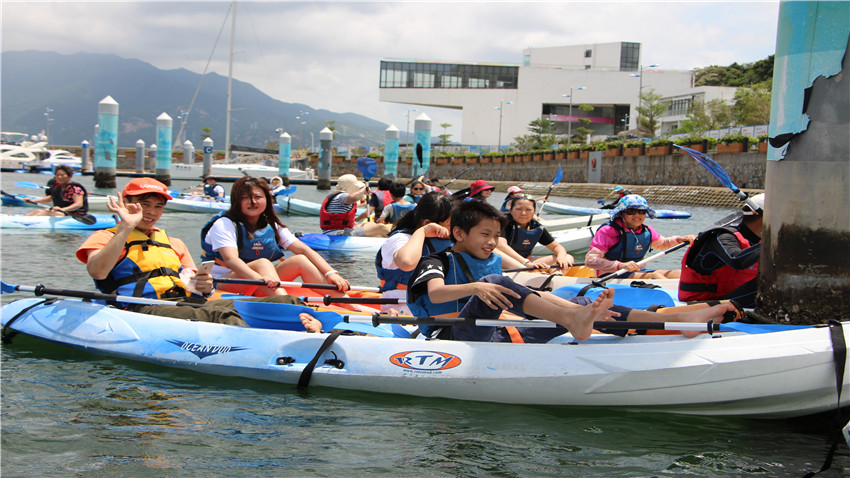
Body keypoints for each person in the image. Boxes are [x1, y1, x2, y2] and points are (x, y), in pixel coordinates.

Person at [406, 200, 737, 343]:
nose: (493, 243)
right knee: (494, 282)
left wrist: (572, 303)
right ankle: (575, 319)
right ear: (460, 234)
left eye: (497, 236)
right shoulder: (437, 261)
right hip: (450, 336)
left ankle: (676, 320)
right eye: (485, 235)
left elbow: (525, 292)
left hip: (498, 332)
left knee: (574, 299)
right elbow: (435, 293)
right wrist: (476, 287)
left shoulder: (490, 259)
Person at [75, 177, 322, 331]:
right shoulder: (107, 237)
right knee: (219, 313)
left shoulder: (174, 243)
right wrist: (126, 226)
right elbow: (97, 271)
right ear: (125, 202)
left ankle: (311, 328)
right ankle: (282, 340)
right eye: (143, 204)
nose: (150, 212)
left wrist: (204, 284)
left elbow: (195, 284)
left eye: (158, 206)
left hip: (185, 301)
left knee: (283, 300)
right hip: (141, 308)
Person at [201, 176, 351, 298]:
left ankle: (352, 305)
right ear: (236, 201)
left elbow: (304, 250)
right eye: (245, 198)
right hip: (222, 283)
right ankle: (285, 305)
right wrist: (260, 280)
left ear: (267, 200)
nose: (252, 202)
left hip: (263, 280)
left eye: (258, 197)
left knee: (299, 260)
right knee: (263, 264)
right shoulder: (225, 224)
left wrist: (331, 273)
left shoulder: (272, 225)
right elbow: (231, 260)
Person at [679, 193, 765, 308]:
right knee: (767, 286)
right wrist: (771, 243)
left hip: (732, 301)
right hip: (703, 304)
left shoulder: (755, 240)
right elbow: (736, 260)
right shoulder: (723, 236)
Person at [585, 194, 696, 279]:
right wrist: (621, 265)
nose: (637, 215)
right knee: (655, 276)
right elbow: (590, 260)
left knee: (679, 274)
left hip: (636, 272)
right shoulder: (608, 231)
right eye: (631, 211)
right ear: (621, 213)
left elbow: (663, 243)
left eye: (642, 211)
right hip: (611, 275)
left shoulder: (646, 230)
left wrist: (680, 239)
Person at [497, 194, 575, 273]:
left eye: (528, 210)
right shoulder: (503, 223)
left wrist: (561, 256)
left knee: (568, 257)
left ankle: (556, 276)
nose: (523, 213)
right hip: (506, 262)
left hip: (527, 263)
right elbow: (501, 246)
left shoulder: (536, 227)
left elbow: (556, 246)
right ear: (511, 210)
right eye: (518, 209)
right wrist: (526, 263)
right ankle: (531, 272)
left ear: (534, 211)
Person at [320, 174, 390, 237]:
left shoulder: (337, 196)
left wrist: (362, 225)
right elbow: (354, 198)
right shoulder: (342, 196)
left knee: (370, 225)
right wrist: (364, 189)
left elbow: (348, 222)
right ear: (350, 186)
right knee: (381, 227)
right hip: (339, 234)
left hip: (340, 231)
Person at [23, 165, 88, 216]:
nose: (59, 177)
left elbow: (79, 204)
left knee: (46, 212)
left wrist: (62, 209)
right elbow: (51, 198)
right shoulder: (60, 188)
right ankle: (21, 219)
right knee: (38, 211)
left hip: (75, 215)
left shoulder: (75, 189)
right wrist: (32, 201)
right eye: (57, 175)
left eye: (62, 175)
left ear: (69, 176)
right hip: (62, 212)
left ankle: (25, 222)